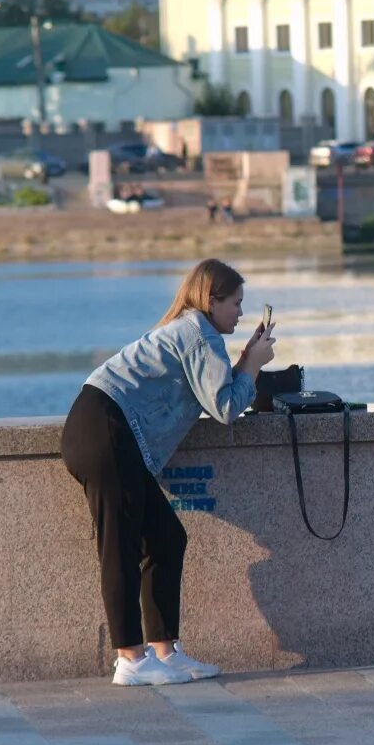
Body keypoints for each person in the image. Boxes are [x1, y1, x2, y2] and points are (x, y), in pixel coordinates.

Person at [60, 258, 277, 686]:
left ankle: (164, 651)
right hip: (105, 430)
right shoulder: (199, 333)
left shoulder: (194, 331)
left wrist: (247, 359)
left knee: (165, 537)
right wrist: (253, 367)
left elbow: (213, 391)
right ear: (211, 301)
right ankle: (131, 660)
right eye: (235, 303)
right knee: (119, 546)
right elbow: (226, 409)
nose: (239, 312)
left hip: (105, 429)